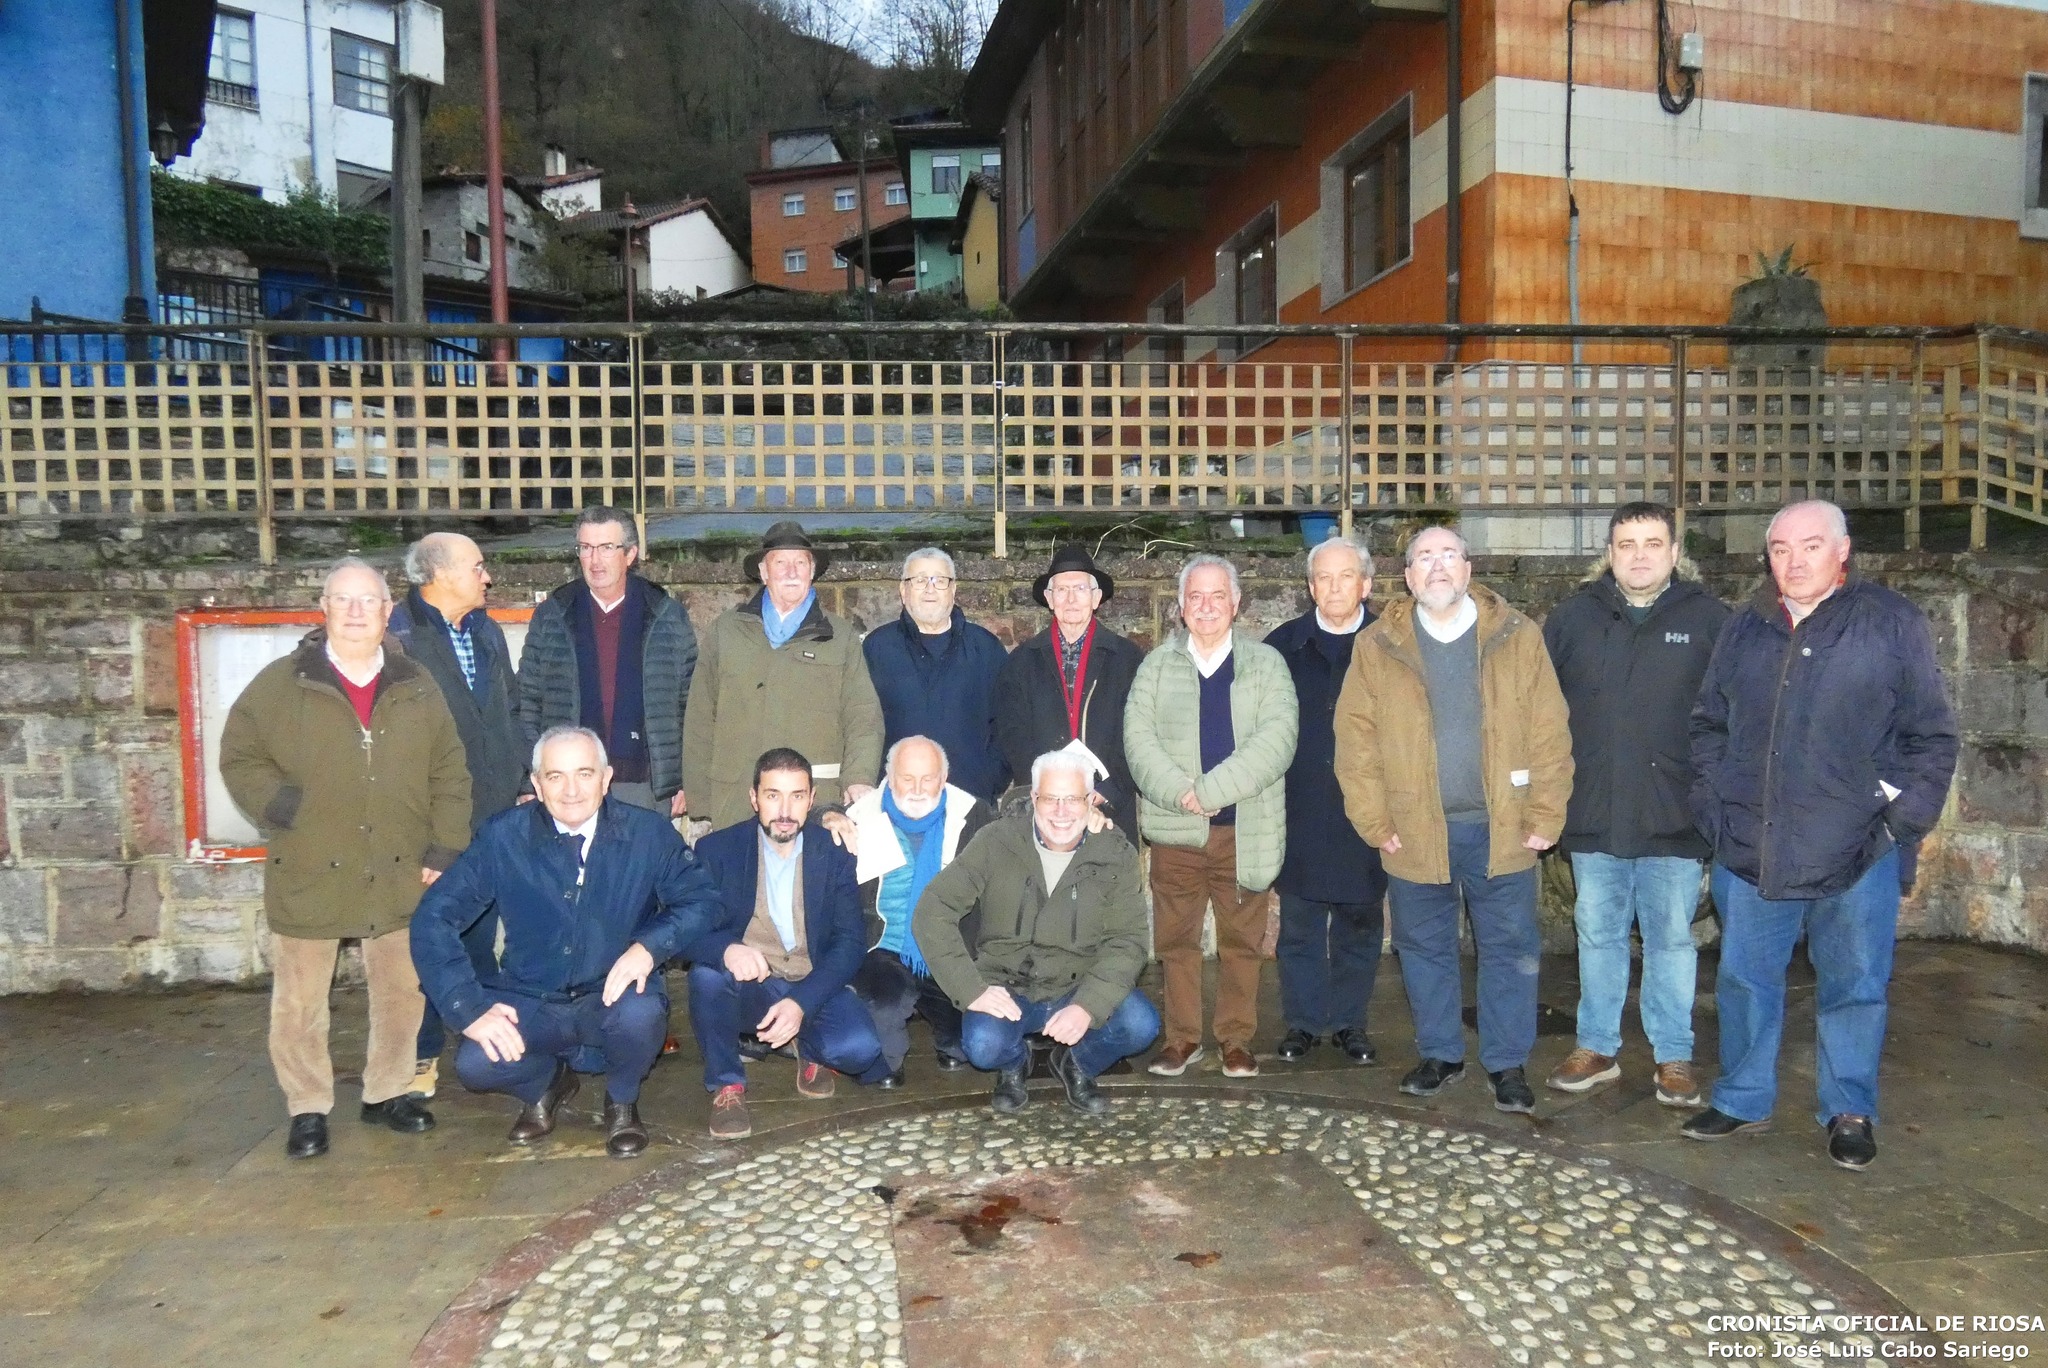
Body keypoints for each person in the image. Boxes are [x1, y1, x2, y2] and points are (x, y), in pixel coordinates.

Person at [1683, 500, 1958, 1170]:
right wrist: (1717, 808)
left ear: (1843, 551)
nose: (1794, 561)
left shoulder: (1890, 622)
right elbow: (1708, 725)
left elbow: (1932, 738)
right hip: (1756, 843)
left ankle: (1850, 1108)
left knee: (1855, 982)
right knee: (1747, 979)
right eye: (1780, 548)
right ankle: (1743, 1096)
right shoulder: (1746, 627)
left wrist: (1894, 822)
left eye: (1811, 546)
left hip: (1857, 847)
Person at [219, 557, 471, 1159]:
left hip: (399, 863)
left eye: (369, 601)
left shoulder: (416, 684)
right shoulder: (283, 684)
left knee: (402, 988)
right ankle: (307, 1106)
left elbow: (449, 768)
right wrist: (280, 806)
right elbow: (240, 754)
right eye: (343, 600)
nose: (357, 612)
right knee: (301, 999)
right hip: (310, 863)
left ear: (389, 612)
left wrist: (444, 844)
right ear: (324, 609)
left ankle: (388, 1093)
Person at [1333, 527, 1573, 1115]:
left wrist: (1546, 812)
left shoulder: (1518, 637)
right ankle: (1440, 1053)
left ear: (1468, 569)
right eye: (1423, 558)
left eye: (1448, 556)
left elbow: (1550, 729)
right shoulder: (1378, 645)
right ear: (1408, 577)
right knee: (1423, 946)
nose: (1436, 567)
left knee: (1510, 946)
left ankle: (1507, 1062)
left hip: (1505, 826)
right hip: (1414, 830)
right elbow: (1354, 741)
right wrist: (1373, 820)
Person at [411, 727, 722, 1157]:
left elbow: (702, 901)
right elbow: (433, 917)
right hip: (531, 994)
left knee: (641, 1018)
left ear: (606, 778)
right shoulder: (503, 838)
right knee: (476, 1064)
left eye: (584, 773)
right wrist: (467, 1006)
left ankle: (622, 1099)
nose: (572, 790)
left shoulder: (648, 834)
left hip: (610, 993)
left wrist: (648, 947)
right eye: (555, 777)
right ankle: (546, 1085)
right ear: (537, 785)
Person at [1542, 502, 1731, 1106]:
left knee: (1672, 938)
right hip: (1595, 810)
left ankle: (1673, 1054)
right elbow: (1542, 715)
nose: (1640, 555)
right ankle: (1596, 1045)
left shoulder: (1710, 622)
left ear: (1675, 553)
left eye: (1653, 543)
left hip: (1674, 814)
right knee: (1596, 932)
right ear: (1610, 552)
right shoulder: (1573, 620)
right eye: (1627, 544)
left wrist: (1714, 798)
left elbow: (1732, 718)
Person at [1125, 554, 1298, 1081]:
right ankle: (1181, 1039)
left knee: (1242, 942)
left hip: (1244, 830)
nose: (1206, 606)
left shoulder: (1267, 665)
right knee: (1175, 942)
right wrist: (1184, 795)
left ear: (1236, 603)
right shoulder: (1155, 666)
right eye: (1195, 597)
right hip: (1177, 830)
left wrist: (1213, 791)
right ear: (1180, 607)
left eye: (1216, 596)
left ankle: (1236, 1038)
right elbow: (1138, 740)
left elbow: (1278, 740)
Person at [913, 749, 1161, 1115]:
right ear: (1034, 799)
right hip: (1010, 984)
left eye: (1073, 799)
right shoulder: (996, 841)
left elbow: (1129, 940)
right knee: (982, 1046)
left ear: (1091, 800)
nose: (1061, 811)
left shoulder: (1114, 852)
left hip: (1079, 981)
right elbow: (933, 909)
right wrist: (971, 989)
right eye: (1050, 799)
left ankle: (1078, 1064)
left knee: (1141, 1025)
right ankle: (1014, 1065)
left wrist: (1088, 1006)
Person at [683, 748, 892, 1139]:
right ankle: (727, 1085)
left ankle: (803, 1046)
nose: (784, 809)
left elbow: (849, 942)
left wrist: (802, 1002)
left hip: (810, 982)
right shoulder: (718, 851)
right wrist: (728, 949)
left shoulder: (833, 852)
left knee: (859, 1050)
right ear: (753, 798)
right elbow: (686, 932)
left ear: (811, 799)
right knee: (706, 977)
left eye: (797, 796)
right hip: (751, 986)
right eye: (772, 795)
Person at [390, 531, 530, 1101]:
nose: (487, 577)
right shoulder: (398, 638)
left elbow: (510, 710)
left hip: (491, 818)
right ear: (439, 574)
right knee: (429, 939)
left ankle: (483, 1043)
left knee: (477, 937)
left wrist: (523, 782)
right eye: (477, 567)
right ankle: (419, 1054)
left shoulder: (486, 630)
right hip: (431, 829)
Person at [1263, 535, 1388, 1066]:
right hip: (1302, 804)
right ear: (1310, 587)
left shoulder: (1391, 643)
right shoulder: (1282, 646)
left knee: (1361, 923)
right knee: (1300, 926)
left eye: (1346, 576)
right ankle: (1303, 1022)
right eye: (1323, 578)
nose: (1334, 587)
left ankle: (1350, 1023)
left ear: (1366, 583)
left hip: (1370, 805)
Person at [681, 521, 885, 830]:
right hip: (736, 800)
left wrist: (858, 779)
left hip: (815, 802)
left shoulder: (840, 637)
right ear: (763, 572)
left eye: (800, 562)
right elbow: (700, 717)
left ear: (812, 571)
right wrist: (700, 799)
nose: (791, 572)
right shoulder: (726, 631)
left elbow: (863, 717)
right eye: (780, 562)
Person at [517, 505, 698, 815]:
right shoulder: (554, 614)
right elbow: (528, 701)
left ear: (630, 555)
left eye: (606, 548)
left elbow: (689, 703)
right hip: (569, 781)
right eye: (586, 548)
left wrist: (683, 778)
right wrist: (527, 779)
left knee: (641, 863)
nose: (595, 560)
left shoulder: (665, 614)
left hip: (642, 782)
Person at [841, 736, 996, 1084]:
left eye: (927, 778)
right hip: (882, 946)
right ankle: (888, 1051)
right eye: (906, 778)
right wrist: (825, 816)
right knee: (883, 1032)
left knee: (971, 1044)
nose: (917, 788)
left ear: (944, 779)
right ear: (889, 776)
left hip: (949, 947)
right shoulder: (857, 819)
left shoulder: (976, 818)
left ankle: (949, 1038)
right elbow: (815, 836)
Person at [991, 544, 1144, 838]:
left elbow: (1140, 734)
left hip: (1108, 809)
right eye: (1062, 590)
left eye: (1080, 589)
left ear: (1096, 597)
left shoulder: (1127, 659)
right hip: (1046, 812)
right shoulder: (1021, 662)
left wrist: (1104, 792)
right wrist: (1051, 796)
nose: (1071, 599)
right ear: (1049, 599)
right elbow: (1013, 735)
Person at [862, 548, 1009, 802]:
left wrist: (989, 780)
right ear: (903, 590)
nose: (930, 589)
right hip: (895, 802)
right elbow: (861, 721)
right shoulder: (877, 648)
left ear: (953, 590)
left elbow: (1008, 722)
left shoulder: (985, 648)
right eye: (919, 580)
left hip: (970, 800)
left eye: (940, 580)